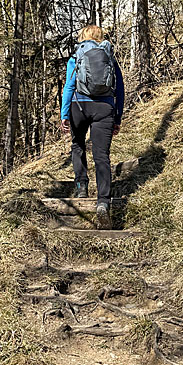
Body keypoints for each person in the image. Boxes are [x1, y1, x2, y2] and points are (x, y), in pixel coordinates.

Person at [60, 25, 125, 229]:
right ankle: (103, 202)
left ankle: (81, 187)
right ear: (100, 37)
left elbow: (69, 85)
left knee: (78, 144)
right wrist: (117, 117)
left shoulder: (77, 55)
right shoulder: (109, 56)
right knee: (101, 155)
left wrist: (64, 114)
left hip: (79, 106)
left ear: (83, 37)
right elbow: (120, 88)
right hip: (104, 107)